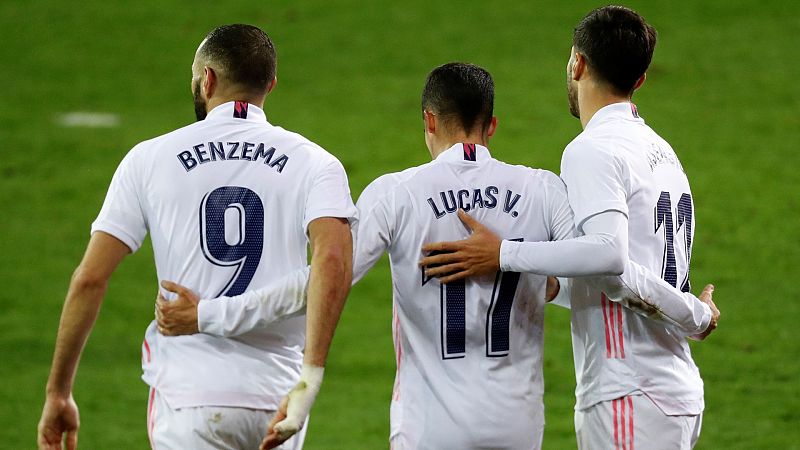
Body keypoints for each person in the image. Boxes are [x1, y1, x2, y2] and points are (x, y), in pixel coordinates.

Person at [159, 62, 571, 449]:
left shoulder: (397, 194)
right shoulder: (543, 190)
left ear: (428, 120)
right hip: (517, 425)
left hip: (429, 426)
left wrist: (208, 314)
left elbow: (325, 278)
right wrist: (535, 274)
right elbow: (588, 279)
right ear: (492, 125)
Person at [37, 24, 356, 450]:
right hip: (277, 403)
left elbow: (89, 280)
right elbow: (333, 264)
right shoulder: (317, 163)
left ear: (207, 79)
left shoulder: (148, 158)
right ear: (270, 85)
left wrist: (58, 392)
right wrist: (310, 377)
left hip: (188, 399)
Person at [420, 6, 720, 450]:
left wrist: (504, 254)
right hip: (669, 388)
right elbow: (619, 270)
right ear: (639, 80)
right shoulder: (661, 151)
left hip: (629, 390)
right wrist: (548, 285)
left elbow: (609, 256)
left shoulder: (592, 150)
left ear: (576, 62)